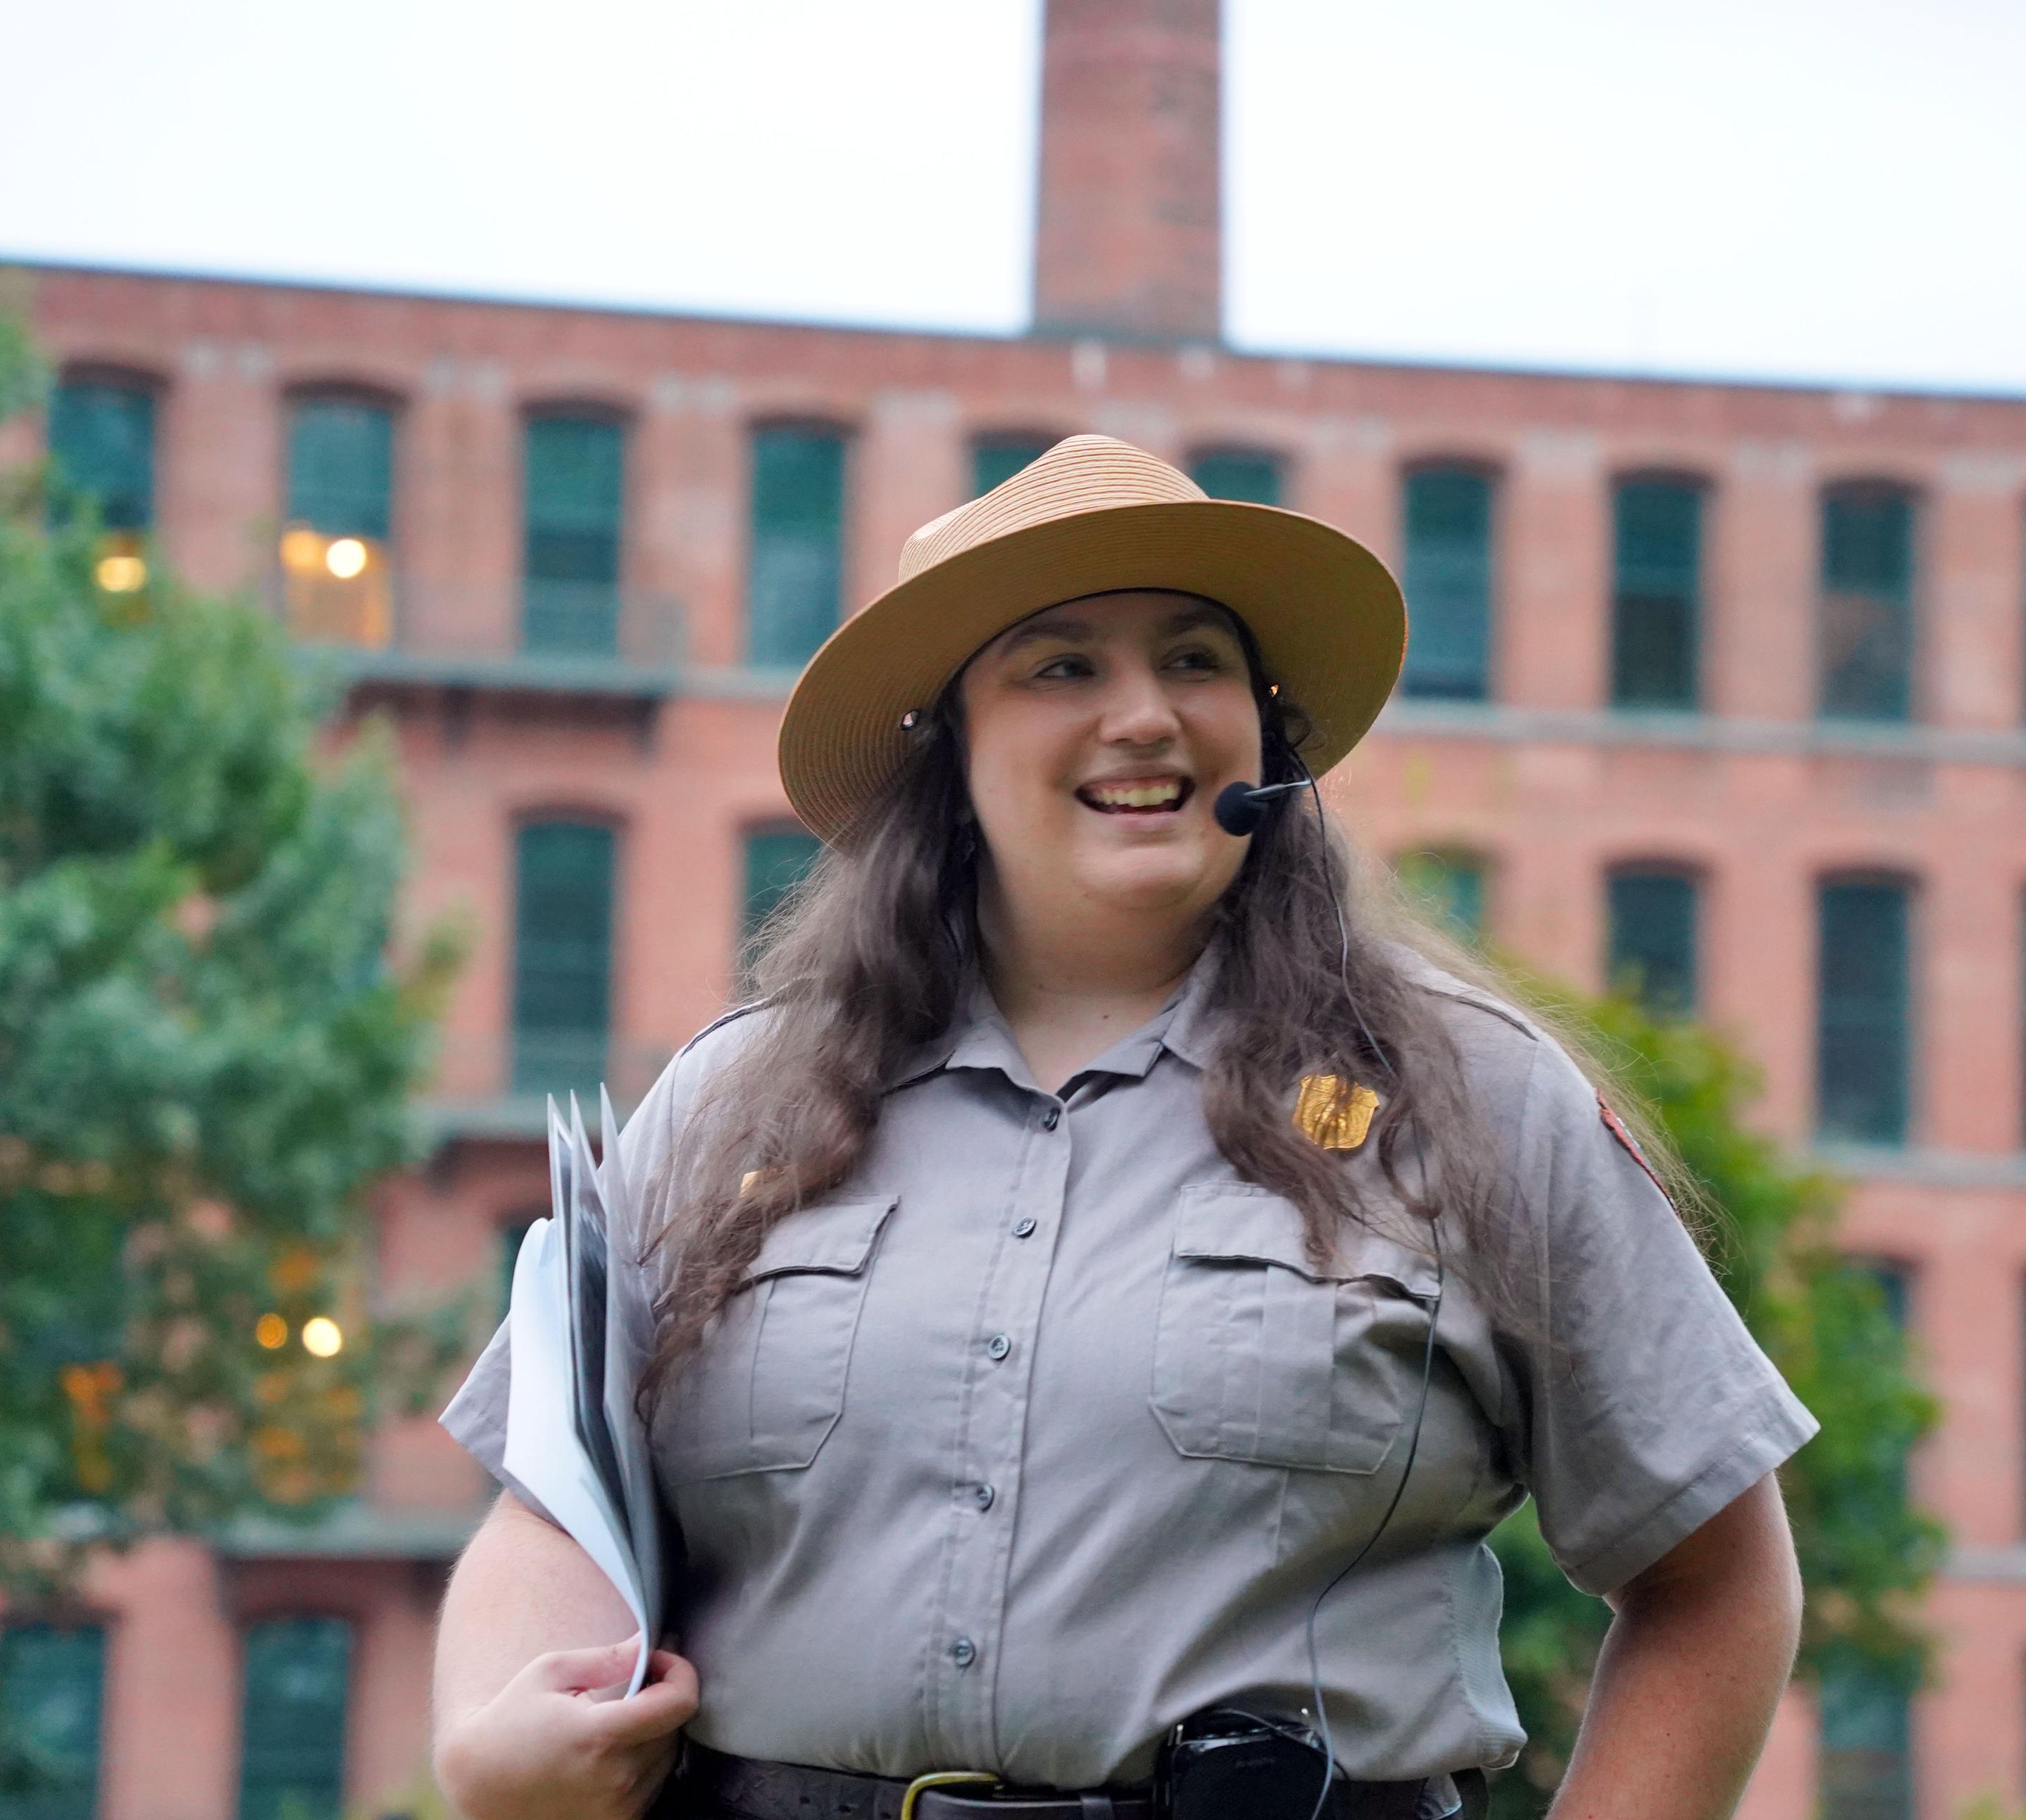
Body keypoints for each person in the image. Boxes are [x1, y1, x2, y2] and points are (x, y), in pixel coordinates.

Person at [429, 435, 1816, 1820]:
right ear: (948, 742)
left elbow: (1713, 1583)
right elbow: (554, 1506)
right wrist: (498, 1740)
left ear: (1262, 733)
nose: (1146, 713)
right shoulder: (733, 1100)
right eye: (1063, 664)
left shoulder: (1473, 1098)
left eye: (1195, 660)